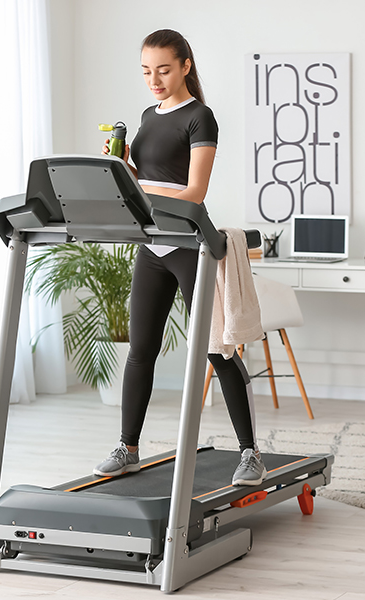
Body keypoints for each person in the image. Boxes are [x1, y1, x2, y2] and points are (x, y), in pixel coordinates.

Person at [94, 29, 265, 486]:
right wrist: (123, 168)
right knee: (140, 351)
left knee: (218, 351)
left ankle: (250, 453)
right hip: (153, 246)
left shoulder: (200, 117)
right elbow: (147, 181)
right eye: (147, 71)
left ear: (186, 65)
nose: (154, 79)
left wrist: (139, 188)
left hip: (189, 244)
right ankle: (128, 446)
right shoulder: (149, 116)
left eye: (164, 69)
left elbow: (193, 193)